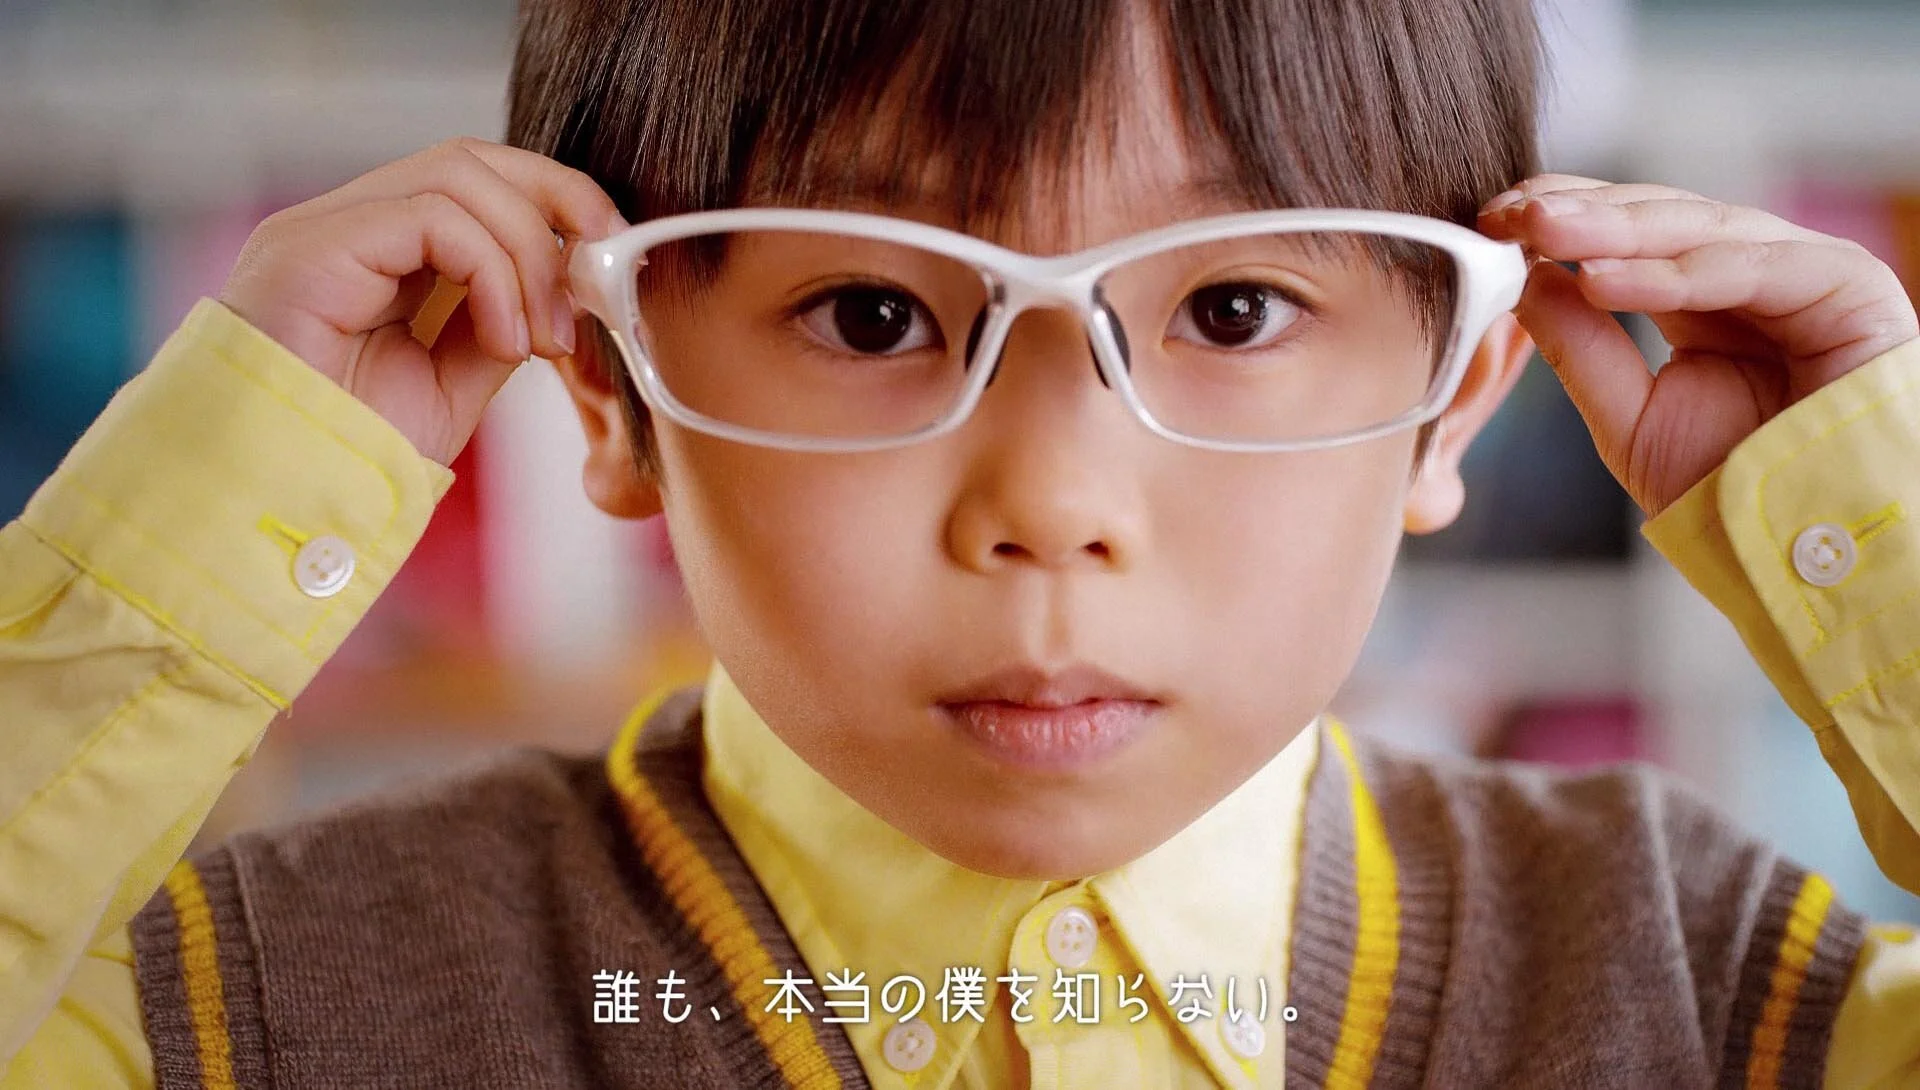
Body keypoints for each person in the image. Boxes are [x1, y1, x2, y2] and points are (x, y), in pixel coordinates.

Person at [5, 0, 1920, 1086]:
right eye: (874, 314)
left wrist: (1877, 533)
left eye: (1233, 307)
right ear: (609, 385)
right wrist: (212, 499)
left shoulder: (1698, 981)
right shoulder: (279, 1006)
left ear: (1453, 399)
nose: (1053, 504)